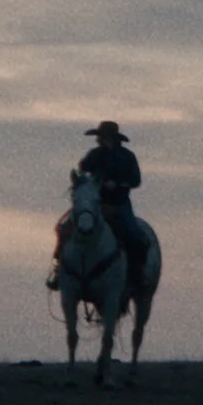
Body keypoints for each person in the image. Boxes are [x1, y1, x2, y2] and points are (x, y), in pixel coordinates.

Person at [54, 120, 146, 289]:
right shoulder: (95, 154)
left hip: (119, 203)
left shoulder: (127, 156)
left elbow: (136, 180)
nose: (98, 140)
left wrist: (117, 184)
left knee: (135, 234)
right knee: (65, 229)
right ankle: (58, 270)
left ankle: (136, 274)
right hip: (94, 203)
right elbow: (83, 168)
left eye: (101, 137)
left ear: (110, 138)